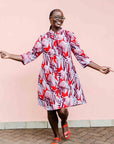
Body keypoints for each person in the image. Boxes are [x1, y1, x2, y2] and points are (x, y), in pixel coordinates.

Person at [0, 9, 113, 144]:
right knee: (51, 109)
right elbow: (30, 55)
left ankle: (64, 122)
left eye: (62, 17)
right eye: (57, 17)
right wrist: (10, 55)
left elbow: (81, 56)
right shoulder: (43, 38)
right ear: (50, 19)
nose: (60, 19)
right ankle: (56, 135)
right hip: (48, 80)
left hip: (65, 78)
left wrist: (99, 67)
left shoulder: (69, 36)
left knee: (62, 110)